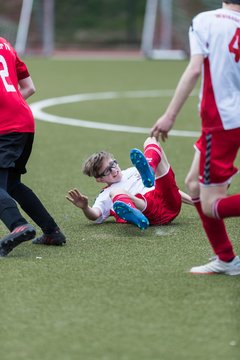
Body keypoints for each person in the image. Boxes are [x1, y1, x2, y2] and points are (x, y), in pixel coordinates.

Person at [150, 1, 240, 275]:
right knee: (193, 185)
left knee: (212, 206)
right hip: (229, 119)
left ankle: (226, 259)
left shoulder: (205, 20)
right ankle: (226, 259)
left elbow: (194, 70)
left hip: (221, 120)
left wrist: (169, 115)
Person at [0, 37, 66, 257]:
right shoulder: (4, 43)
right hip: (24, 120)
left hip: (5, 127)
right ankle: (52, 231)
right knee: (11, 184)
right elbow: (29, 87)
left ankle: (18, 225)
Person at [66, 137, 192, 230]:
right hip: (150, 210)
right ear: (100, 179)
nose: (114, 170)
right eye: (107, 171)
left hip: (171, 203)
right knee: (116, 192)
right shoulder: (104, 195)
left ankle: (150, 166)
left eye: (113, 164)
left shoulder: (133, 170)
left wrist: (196, 202)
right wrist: (85, 207)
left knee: (151, 140)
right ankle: (134, 214)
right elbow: (95, 215)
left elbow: (174, 191)